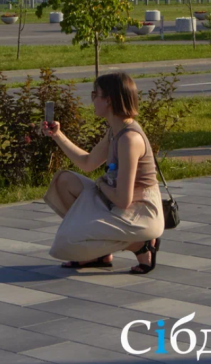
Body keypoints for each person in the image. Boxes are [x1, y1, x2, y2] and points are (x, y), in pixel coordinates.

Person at [42, 72, 164, 275]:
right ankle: (99, 255)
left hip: (140, 212)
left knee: (66, 241)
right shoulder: (115, 131)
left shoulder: (129, 139)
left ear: (109, 101)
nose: (92, 100)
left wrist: (100, 185)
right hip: (116, 200)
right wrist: (57, 135)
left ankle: (140, 245)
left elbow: (124, 200)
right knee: (64, 181)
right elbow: (88, 163)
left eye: (94, 94)